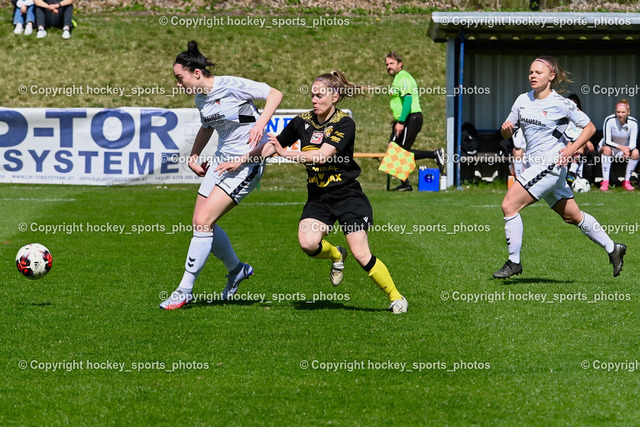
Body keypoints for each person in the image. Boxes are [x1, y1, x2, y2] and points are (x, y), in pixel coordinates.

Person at [217, 70, 408, 313]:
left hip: (348, 195)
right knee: (308, 243)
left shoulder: (344, 123)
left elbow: (322, 154)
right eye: (312, 95)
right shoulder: (302, 121)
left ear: (335, 97)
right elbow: (272, 147)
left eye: (319, 96)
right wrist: (242, 160)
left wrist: (285, 154)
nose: (314, 100)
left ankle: (396, 297)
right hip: (319, 197)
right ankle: (337, 255)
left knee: (361, 254)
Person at [159, 41, 283, 310]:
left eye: (180, 78)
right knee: (199, 223)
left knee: (204, 221)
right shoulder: (200, 98)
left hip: (246, 163)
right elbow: (207, 126)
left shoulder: (230, 84)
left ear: (196, 72)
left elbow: (275, 93)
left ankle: (184, 291)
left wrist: (261, 123)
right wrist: (194, 156)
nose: (178, 84)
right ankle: (237, 269)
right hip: (220, 162)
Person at [494, 56, 626, 279]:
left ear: (551, 76)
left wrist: (571, 149)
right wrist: (506, 129)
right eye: (531, 72)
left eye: (538, 72)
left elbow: (590, 127)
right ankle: (614, 248)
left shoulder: (562, 103)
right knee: (573, 216)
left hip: (550, 164)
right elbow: (508, 131)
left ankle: (514, 262)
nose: (533, 76)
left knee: (509, 205)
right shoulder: (522, 100)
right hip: (538, 167)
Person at [385, 52, 444, 191]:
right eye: (387, 64)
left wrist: (401, 121)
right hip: (404, 119)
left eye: (391, 63)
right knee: (392, 149)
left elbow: (408, 101)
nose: (388, 67)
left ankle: (435, 154)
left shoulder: (403, 78)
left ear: (400, 64)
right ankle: (405, 184)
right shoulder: (398, 78)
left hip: (411, 118)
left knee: (401, 152)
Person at [598, 99, 639, 191]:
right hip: (608, 148)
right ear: (615, 112)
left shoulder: (633, 122)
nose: (620, 115)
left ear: (628, 112)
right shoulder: (609, 120)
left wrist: (627, 150)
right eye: (618, 112)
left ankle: (626, 181)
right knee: (607, 149)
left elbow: (633, 143)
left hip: (623, 150)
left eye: (623, 112)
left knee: (636, 152)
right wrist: (623, 148)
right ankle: (605, 182)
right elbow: (607, 141)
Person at [565, 94, 595, 183]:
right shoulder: (561, 118)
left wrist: (588, 141)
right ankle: (568, 174)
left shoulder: (581, 118)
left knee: (580, 146)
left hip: (578, 143)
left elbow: (587, 130)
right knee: (571, 144)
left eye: (574, 104)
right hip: (565, 143)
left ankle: (572, 172)